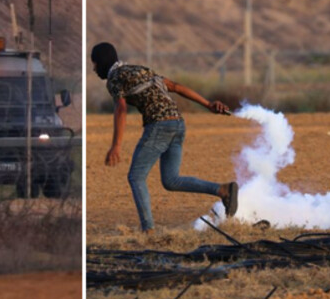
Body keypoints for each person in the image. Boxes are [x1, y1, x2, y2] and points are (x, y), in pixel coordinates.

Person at [91, 42, 238, 233]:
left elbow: (121, 108)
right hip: (178, 123)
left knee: (135, 177)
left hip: (159, 126)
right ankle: (223, 190)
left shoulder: (114, 79)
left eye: (94, 64)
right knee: (171, 180)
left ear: (102, 62)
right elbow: (175, 86)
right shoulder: (140, 70)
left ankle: (148, 231)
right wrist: (208, 104)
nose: (94, 69)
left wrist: (116, 146)